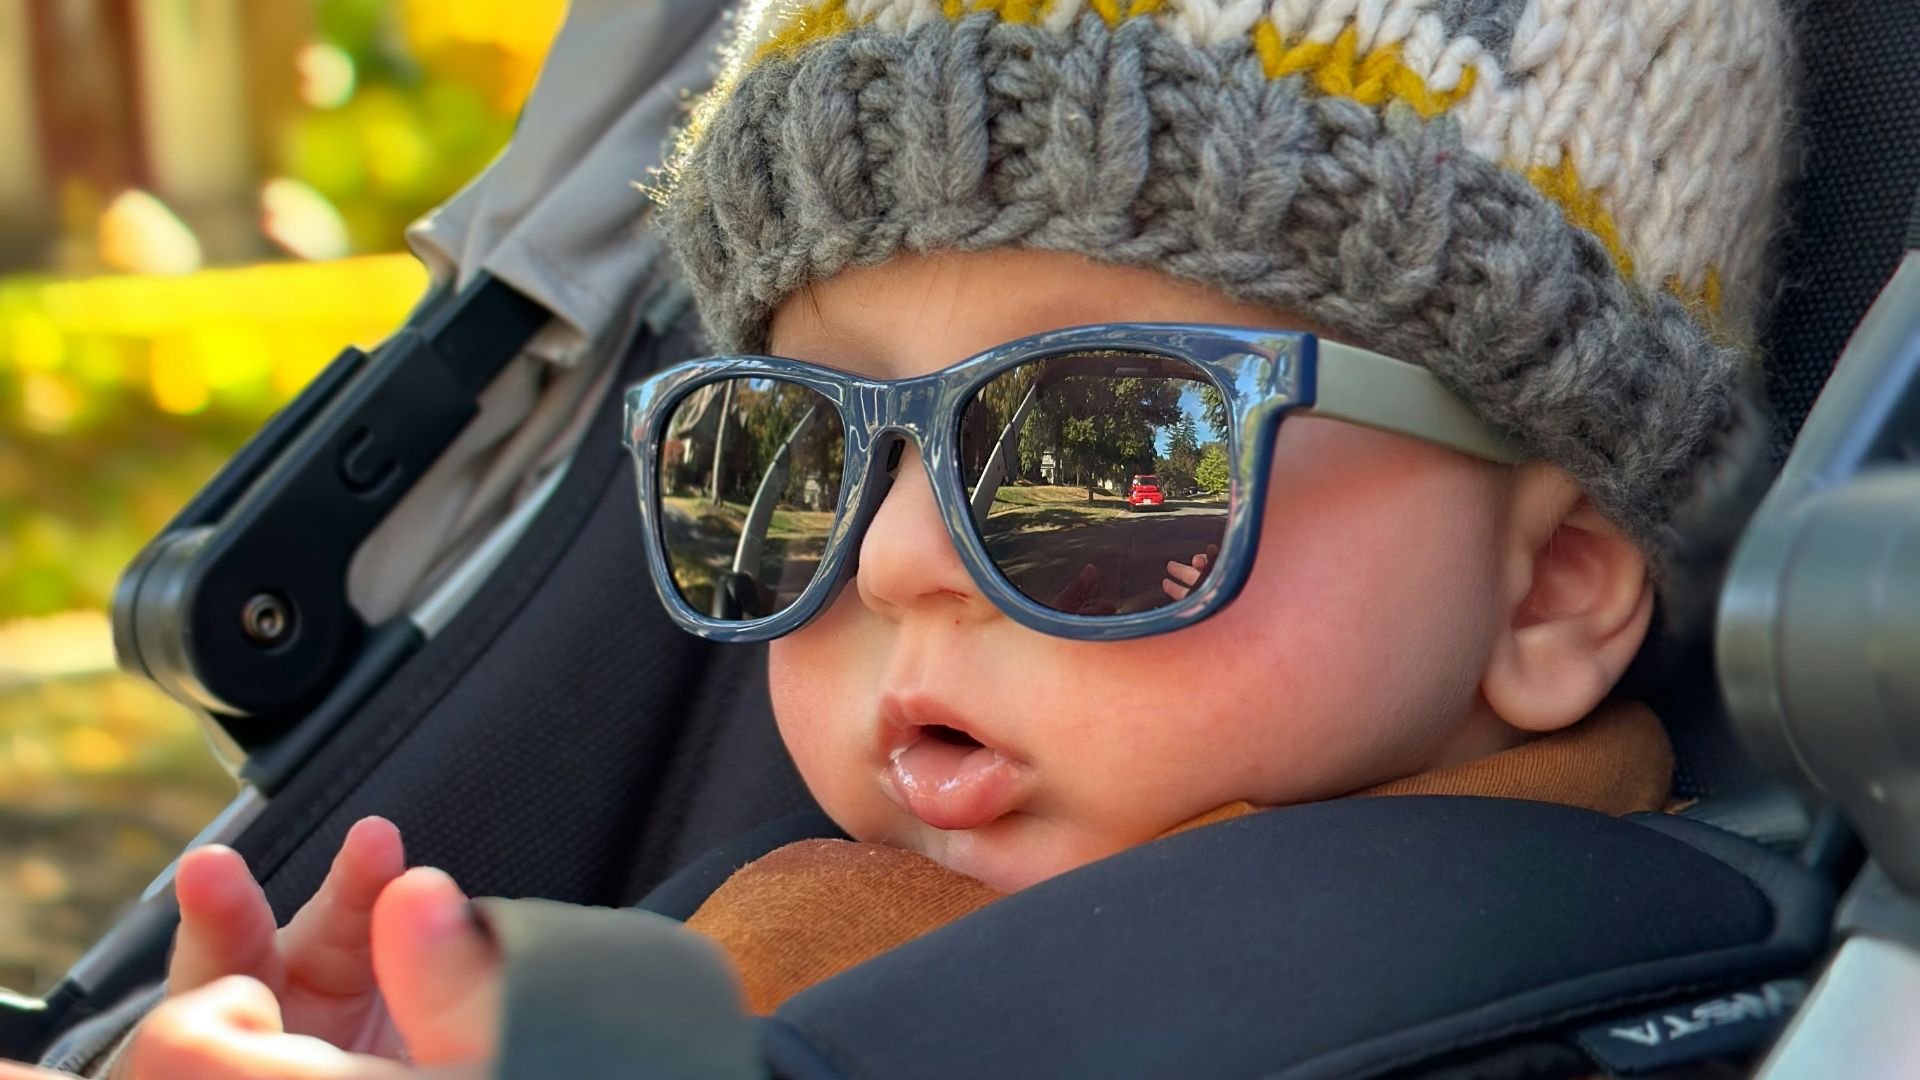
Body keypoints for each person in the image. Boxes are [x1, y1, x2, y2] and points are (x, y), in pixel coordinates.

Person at [19, 0, 1796, 1075]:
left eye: (1098, 453)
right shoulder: (762, 925)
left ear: (1553, 588)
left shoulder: (1566, 1020)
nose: (892, 562)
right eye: (784, 454)